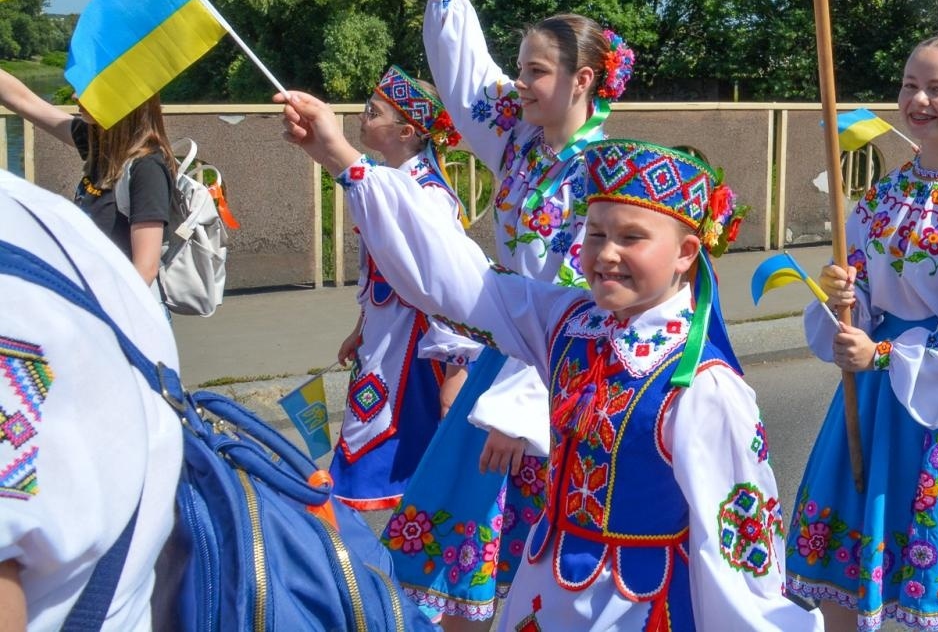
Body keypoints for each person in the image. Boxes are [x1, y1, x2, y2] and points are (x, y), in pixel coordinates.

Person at [277, 93, 821, 631]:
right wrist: (344, 161)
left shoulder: (704, 384)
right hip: (547, 594)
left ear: (685, 253)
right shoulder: (570, 321)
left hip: (641, 608)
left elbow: (740, 548)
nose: (606, 253)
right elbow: (461, 281)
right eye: (597, 233)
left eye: (632, 237)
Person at [390, 0, 634, 623]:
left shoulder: (610, 174)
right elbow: (464, 71)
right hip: (506, 358)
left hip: (564, 379)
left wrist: (520, 411)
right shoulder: (521, 140)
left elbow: (578, 297)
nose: (518, 84)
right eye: (521, 70)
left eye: (534, 72)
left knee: (538, 553)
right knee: (464, 554)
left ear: (582, 81)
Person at [785, 33, 938, 631]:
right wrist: (845, 297)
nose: (918, 99)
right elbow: (862, 285)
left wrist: (881, 354)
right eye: (909, 84)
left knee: (937, 584)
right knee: (847, 572)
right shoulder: (884, 192)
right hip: (873, 397)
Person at [0, 169, 182, 631]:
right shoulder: (52, 213)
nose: (81, 107)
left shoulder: (141, 170)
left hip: (114, 331)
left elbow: (145, 263)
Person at [329, 66, 476, 514]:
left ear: (406, 130)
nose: (362, 116)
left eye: (373, 111)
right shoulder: (387, 182)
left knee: (395, 450)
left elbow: (451, 284)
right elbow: (378, 269)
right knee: (378, 441)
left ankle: (376, 559)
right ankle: (370, 555)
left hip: (416, 346)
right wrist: (360, 326)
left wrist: (456, 371)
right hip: (384, 336)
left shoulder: (430, 196)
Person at [0, 69, 172, 287]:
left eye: (87, 89)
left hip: (119, 311)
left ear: (119, 96)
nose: (75, 96)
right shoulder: (101, 143)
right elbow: (23, 101)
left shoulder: (146, 169)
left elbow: (144, 271)